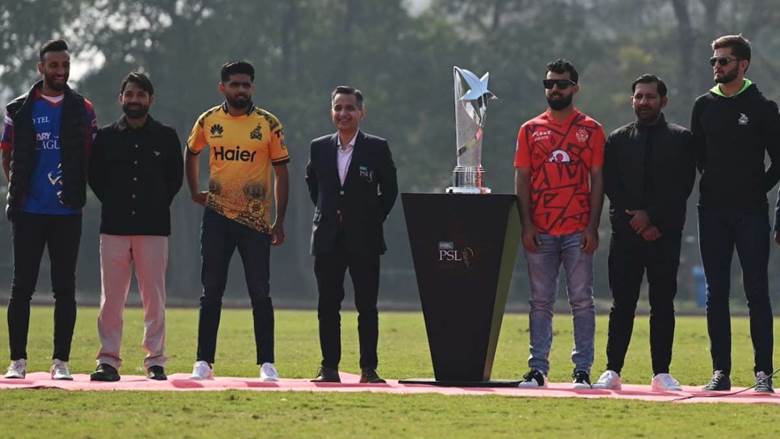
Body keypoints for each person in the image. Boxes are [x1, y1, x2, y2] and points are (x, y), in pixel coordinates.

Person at [186, 60, 289, 381]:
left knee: (260, 292)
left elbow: (281, 171)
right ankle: (203, 361)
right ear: (223, 87)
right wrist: (193, 190)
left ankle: (267, 364)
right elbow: (191, 152)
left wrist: (279, 219)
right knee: (211, 290)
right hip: (217, 215)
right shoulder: (208, 120)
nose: (241, 90)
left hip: (255, 222)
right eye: (235, 84)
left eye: (246, 85)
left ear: (252, 88)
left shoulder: (268, 123)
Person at [1, 39, 97, 380]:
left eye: (65, 65)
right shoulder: (18, 109)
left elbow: (90, 154)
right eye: (54, 65)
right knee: (21, 287)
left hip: (67, 211)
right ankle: (18, 362)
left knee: (64, 289)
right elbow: (6, 154)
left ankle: (61, 362)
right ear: (41, 67)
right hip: (28, 211)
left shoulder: (83, 109)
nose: (60, 71)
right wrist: (19, 189)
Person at [593, 74, 695, 391]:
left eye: (650, 97)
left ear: (663, 101)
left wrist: (652, 219)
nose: (643, 102)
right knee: (622, 303)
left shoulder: (681, 139)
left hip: (664, 235)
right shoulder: (618, 139)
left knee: (663, 303)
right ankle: (612, 370)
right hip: (626, 235)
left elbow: (682, 187)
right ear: (632, 100)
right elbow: (612, 185)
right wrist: (637, 219)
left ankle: (661, 373)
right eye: (638, 96)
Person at [691, 34, 779, 393]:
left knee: (756, 290)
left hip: (752, 213)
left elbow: (779, 161)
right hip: (711, 211)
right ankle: (720, 372)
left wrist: (757, 188)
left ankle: (763, 373)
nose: (716, 67)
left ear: (742, 65)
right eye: (713, 61)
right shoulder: (703, 105)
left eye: (723, 61)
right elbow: (698, 155)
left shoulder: (763, 107)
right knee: (716, 293)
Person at [514, 59, 605, 389]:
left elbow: (598, 180)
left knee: (582, 300)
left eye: (562, 84)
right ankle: (538, 369)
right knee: (540, 301)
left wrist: (593, 226)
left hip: (578, 229)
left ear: (575, 88)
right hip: (540, 229)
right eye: (549, 84)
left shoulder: (592, 129)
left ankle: (582, 369)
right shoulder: (530, 129)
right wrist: (526, 225)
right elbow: (522, 179)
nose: (554, 89)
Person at [87, 72, 183, 381]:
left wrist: (152, 204)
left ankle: (155, 361)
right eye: (129, 95)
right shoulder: (105, 137)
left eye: (141, 95)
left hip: (153, 227)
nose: (134, 100)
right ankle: (108, 361)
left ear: (151, 100)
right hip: (114, 226)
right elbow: (96, 178)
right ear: (121, 98)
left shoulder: (166, 137)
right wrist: (116, 203)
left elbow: (174, 180)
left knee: (154, 298)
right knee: (111, 299)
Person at [305, 86, 398, 383]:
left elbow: (390, 190)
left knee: (367, 306)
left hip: (365, 239)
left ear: (361, 112)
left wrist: (370, 219)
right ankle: (329, 367)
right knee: (327, 305)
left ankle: (368, 369)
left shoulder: (377, 147)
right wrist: (329, 212)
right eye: (338, 108)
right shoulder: (318, 147)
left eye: (349, 108)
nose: (343, 113)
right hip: (327, 237)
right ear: (331, 111)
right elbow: (313, 185)